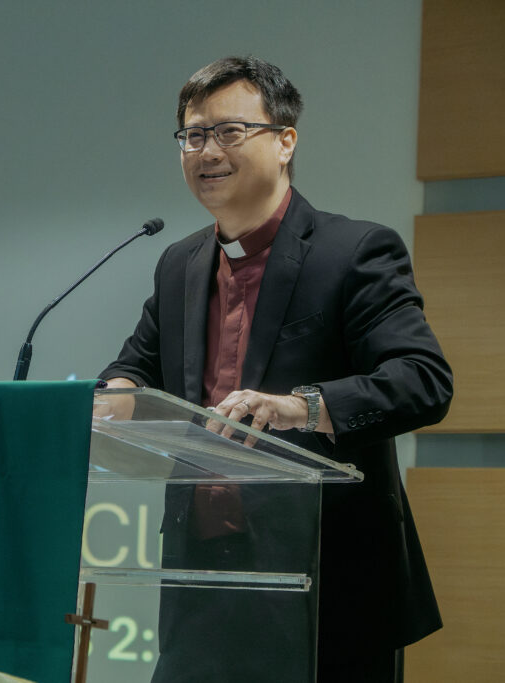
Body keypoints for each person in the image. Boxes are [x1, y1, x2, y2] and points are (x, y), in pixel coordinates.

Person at [99, 56, 453, 683]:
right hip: (201, 581)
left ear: (286, 141)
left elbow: (422, 380)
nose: (207, 151)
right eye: (193, 135)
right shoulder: (180, 264)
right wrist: (111, 397)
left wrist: (300, 407)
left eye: (229, 131)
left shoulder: (352, 251)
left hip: (325, 582)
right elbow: (136, 367)